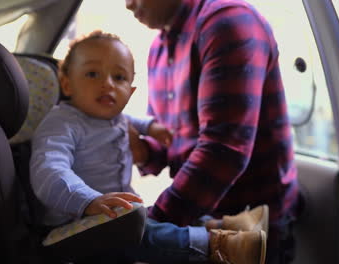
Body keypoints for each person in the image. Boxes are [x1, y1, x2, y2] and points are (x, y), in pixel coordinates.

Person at [30, 30, 267, 264]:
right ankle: (218, 246)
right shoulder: (61, 122)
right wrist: (86, 201)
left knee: (148, 220)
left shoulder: (113, 116)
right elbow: (49, 171)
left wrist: (152, 127)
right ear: (67, 83)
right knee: (145, 234)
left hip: (111, 215)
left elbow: (133, 120)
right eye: (93, 74)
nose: (108, 84)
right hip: (71, 223)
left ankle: (223, 226)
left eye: (119, 78)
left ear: (130, 92)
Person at [124, 0, 301, 263]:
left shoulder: (227, 21)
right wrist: (140, 148)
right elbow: (169, 140)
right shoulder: (158, 49)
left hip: (255, 225)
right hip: (201, 219)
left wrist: (149, 225)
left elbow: (224, 151)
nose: (128, 4)